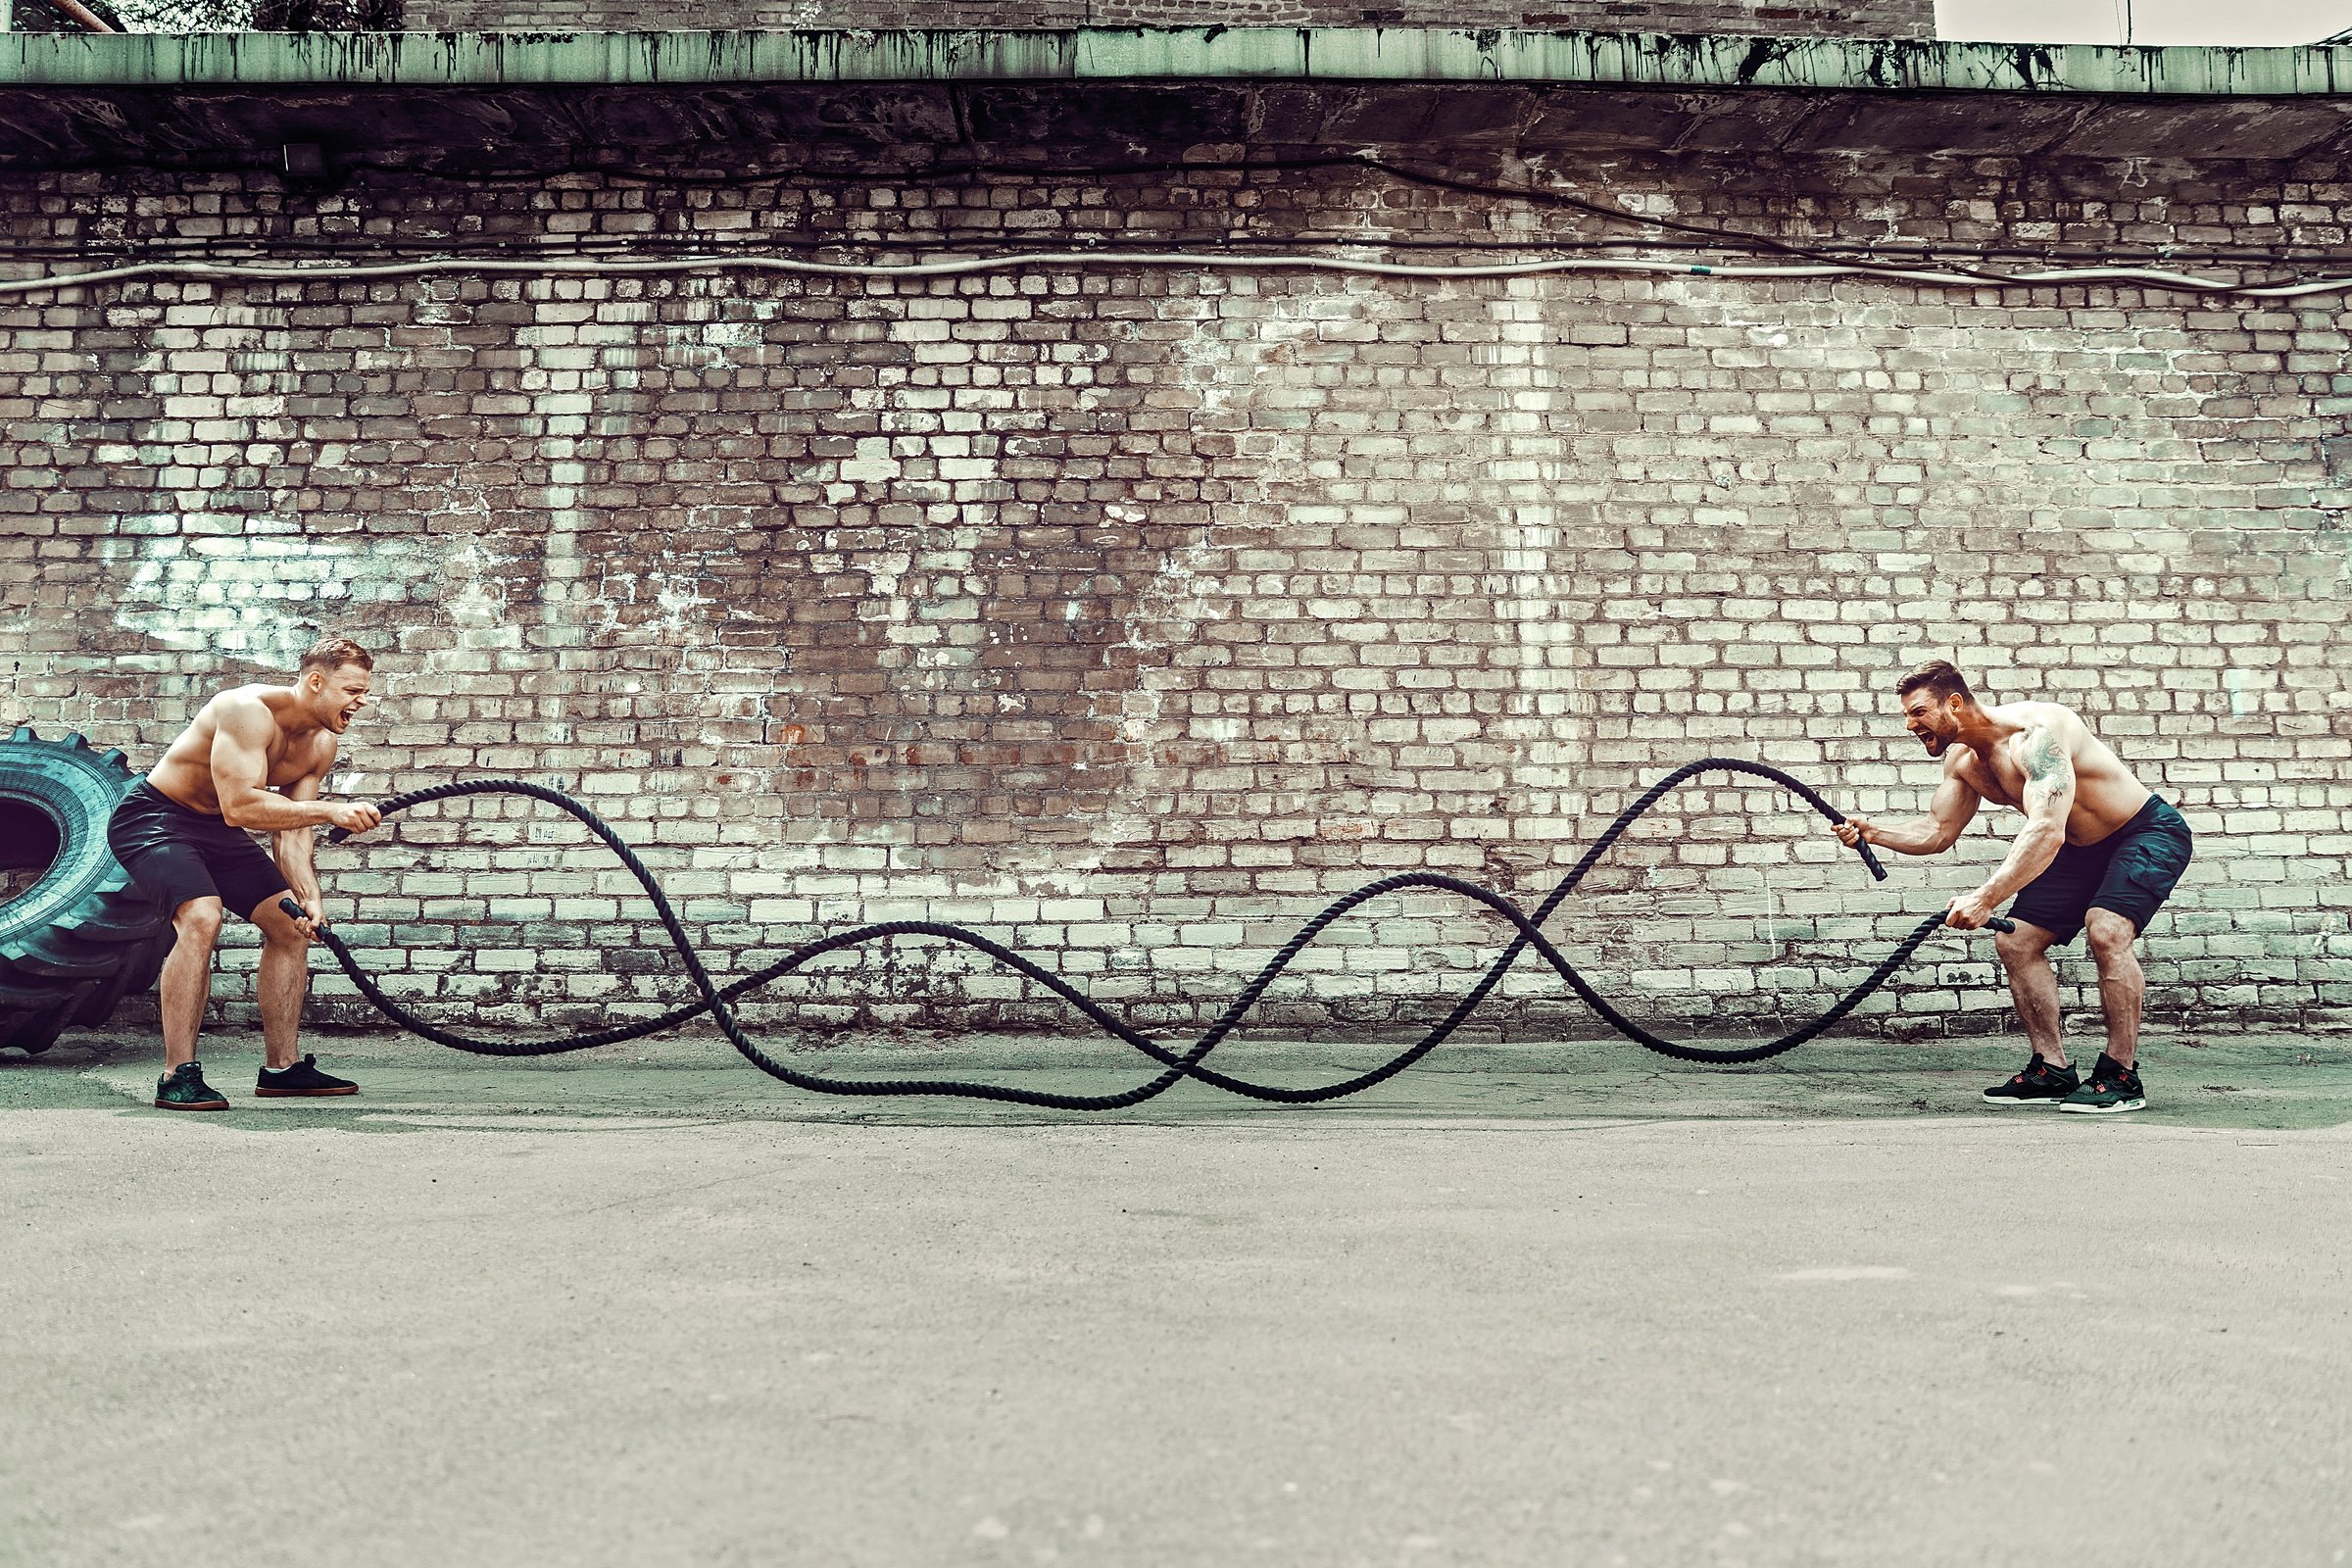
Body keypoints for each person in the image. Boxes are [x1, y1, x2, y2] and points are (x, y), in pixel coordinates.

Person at [1833, 660, 2193, 1115]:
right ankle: (2052, 1068)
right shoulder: (1963, 762)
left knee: (2106, 929)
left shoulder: (2038, 734)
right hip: (2078, 847)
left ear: (1955, 703)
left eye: (1919, 712)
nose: (1910, 724)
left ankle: (2120, 1073)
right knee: (2016, 941)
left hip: (2143, 832)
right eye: (1907, 715)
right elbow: (1938, 832)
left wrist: (1986, 898)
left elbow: (2046, 829)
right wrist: (1873, 832)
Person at [107, 636, 384, 1110]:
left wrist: (308, 894)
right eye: (352, 692)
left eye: (364, 692)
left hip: (216, 830)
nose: (362, 702)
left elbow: (293, 828)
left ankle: (282, 1070)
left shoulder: (320, 744)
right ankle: (178, 1075)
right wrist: (333, 811)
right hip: (155, 818)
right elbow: (240, 806)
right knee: (201, 916)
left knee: (290, 927)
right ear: (316, 682)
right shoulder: (245, 709)